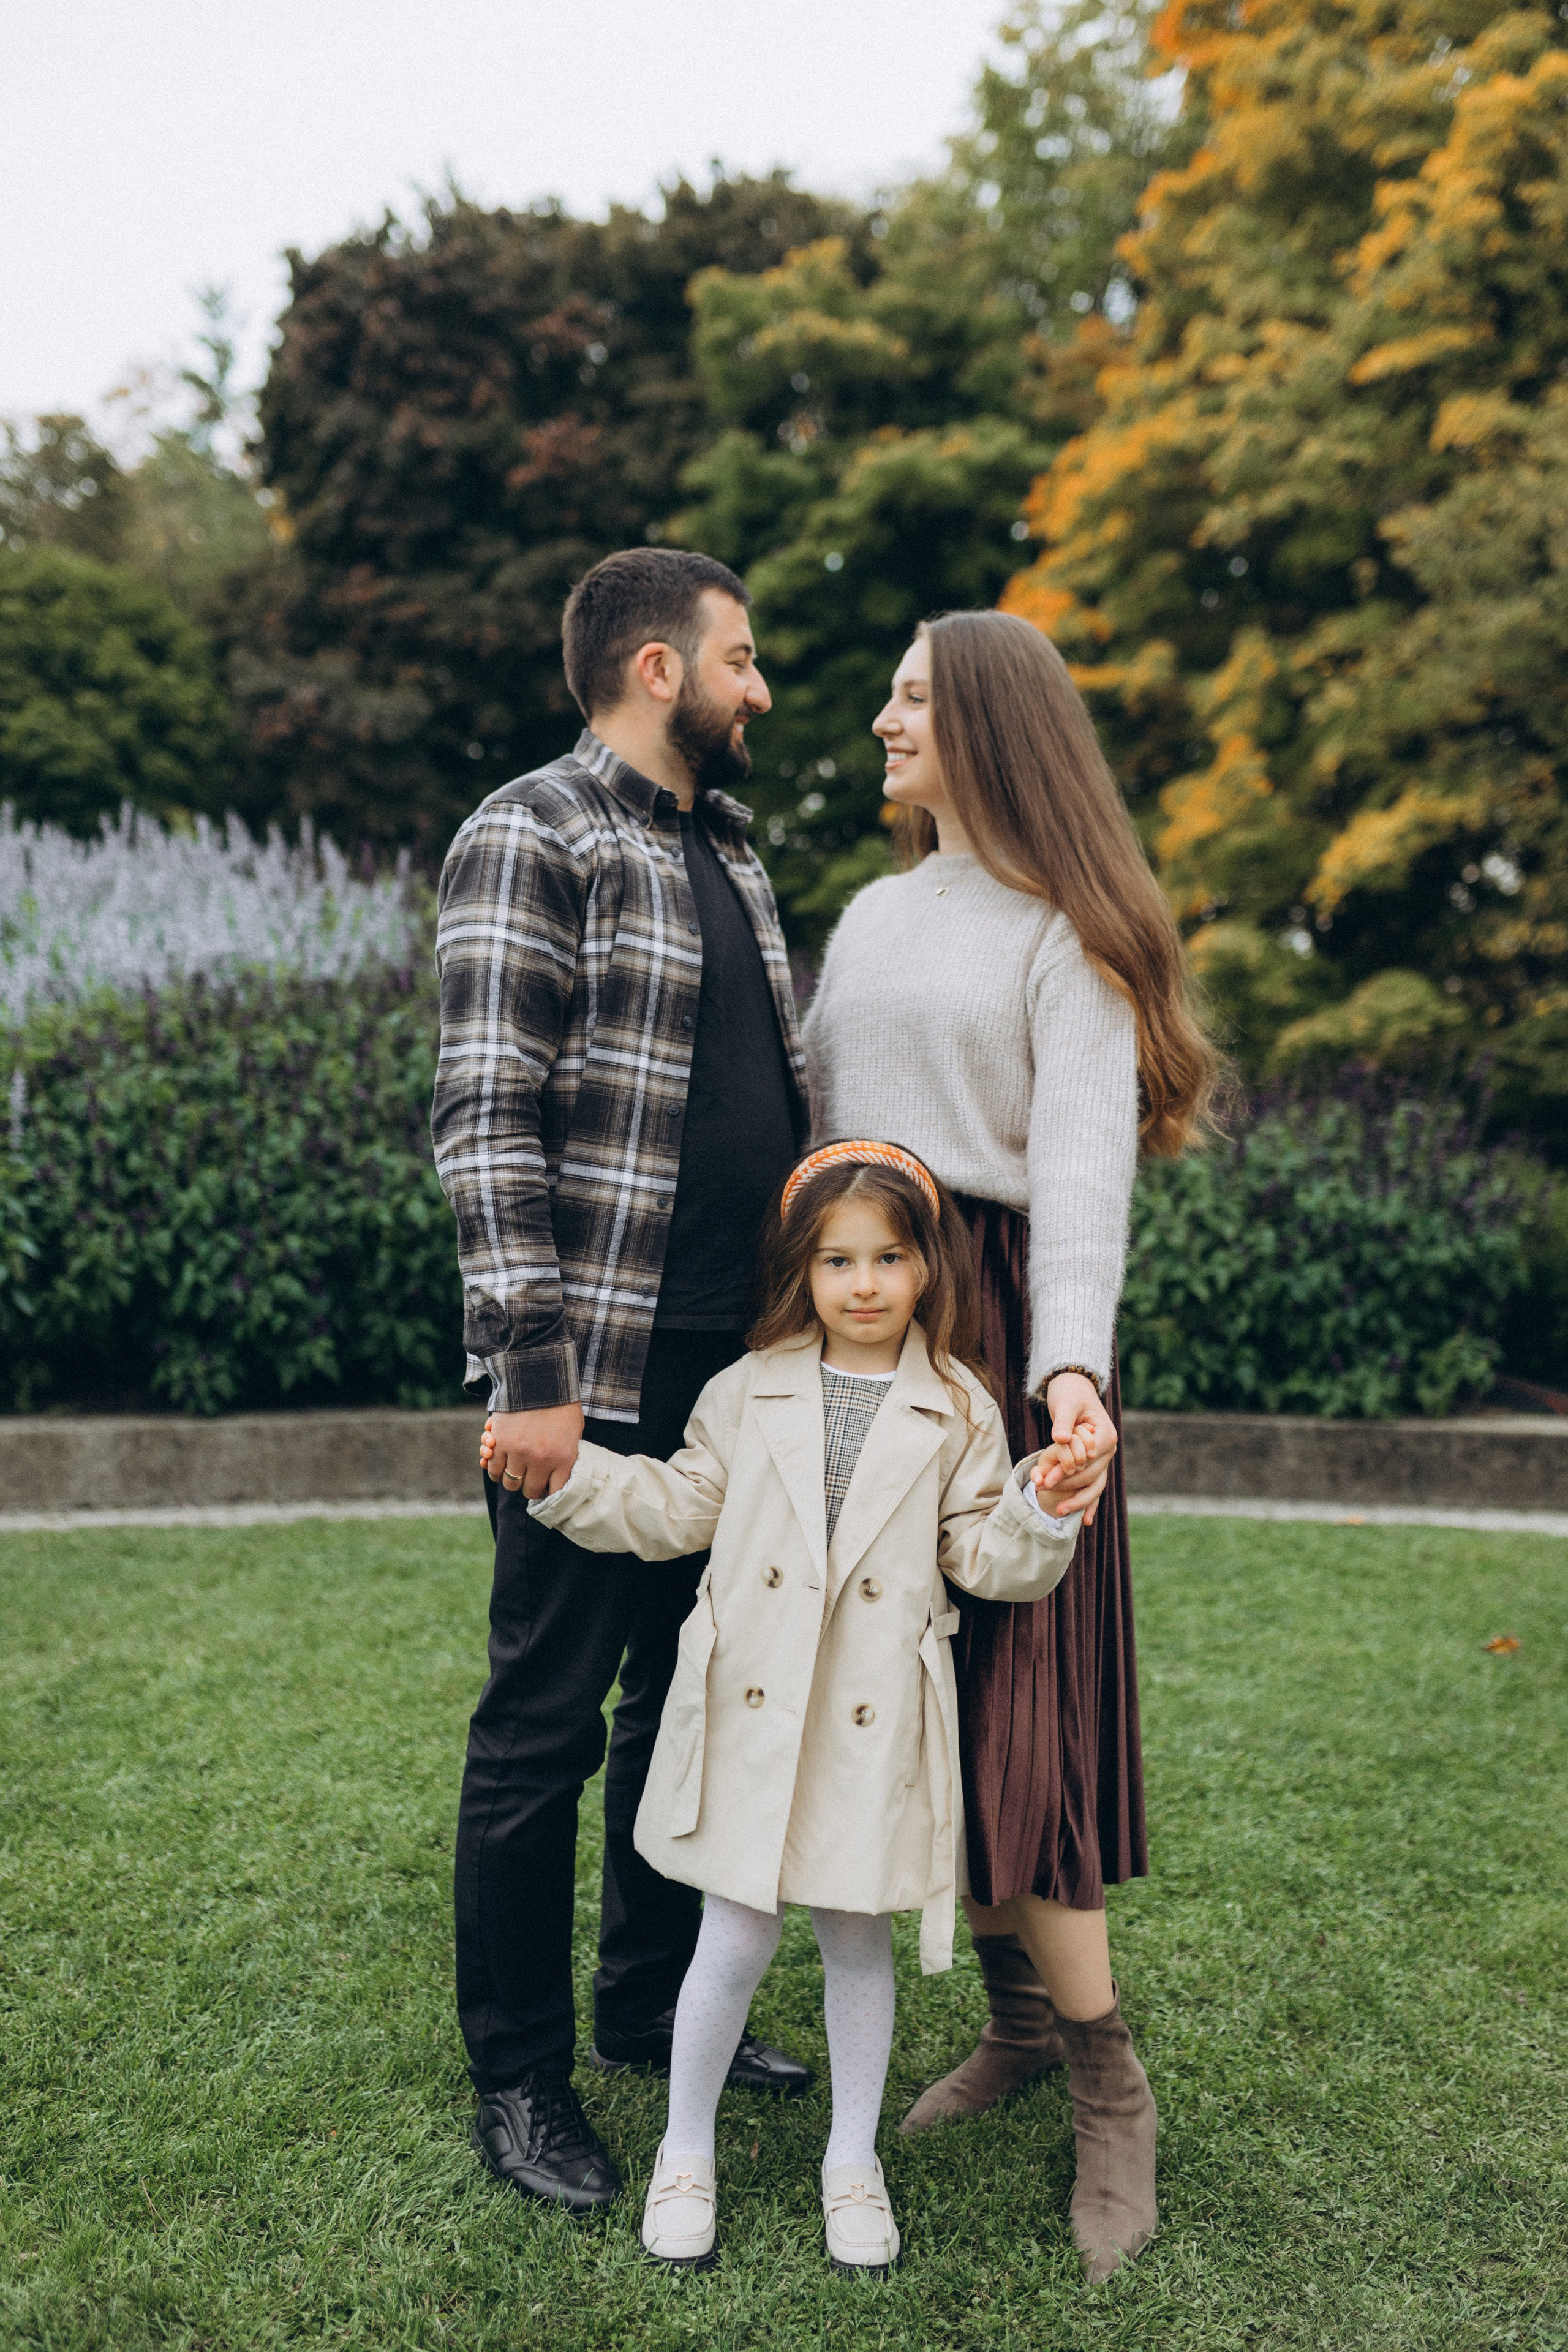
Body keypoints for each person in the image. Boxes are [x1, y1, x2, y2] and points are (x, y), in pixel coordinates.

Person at [803, 610, 1215, 2283]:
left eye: (911, 696)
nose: (883, 720)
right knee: (924, 1704)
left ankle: (1110, 2083)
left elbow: (1086, 1173)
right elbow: (820, 1144)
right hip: (879, 1329)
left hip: (1008, 1341)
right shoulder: (869, 917)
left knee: (1023, 1719)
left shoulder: (1066, 933)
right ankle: (1019, 2026)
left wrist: (1070, 1380)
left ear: (983, 720)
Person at [508, 1142, 1085, 2272]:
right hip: (756, 1710)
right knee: (730, 1937)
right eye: (837, 1260)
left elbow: (982, 1553)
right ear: (802, 1271)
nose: (864, 1284)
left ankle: (852, 2160)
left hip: (872, 1720)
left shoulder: (960, 1405)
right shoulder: (745, 1387)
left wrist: (1041, 1507)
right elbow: (677, 1504)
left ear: (928, 1268)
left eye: (889, 1257)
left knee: (856, 1940)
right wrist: (571, 1478)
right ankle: (686, 2150)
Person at [431, 547, 814, 2217]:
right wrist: (533, 1364)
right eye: (742, 659)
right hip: (592, 1371)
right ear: (658, 668)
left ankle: (648, 2006)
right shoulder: (534, 830)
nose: (760, 689)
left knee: (689, 1697)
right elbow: (483, 1109)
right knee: (545, 1723)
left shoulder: (732, 852)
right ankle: (519, 2079)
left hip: (739, 1365)